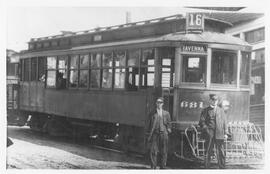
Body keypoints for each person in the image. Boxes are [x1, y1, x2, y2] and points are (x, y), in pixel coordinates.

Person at [199, 94, 228, 169]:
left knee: (221, 151)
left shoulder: (221, 110)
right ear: (210, 100)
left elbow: (225, 122)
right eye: (213, 100)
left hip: (219, 134)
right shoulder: (205, 110)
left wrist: (225, 133)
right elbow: (201, 122)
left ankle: (222, 167)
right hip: (210, 134)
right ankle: (207, 167)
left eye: (216, 100)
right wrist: (207, 130)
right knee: (208, 151)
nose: (215, 101)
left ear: (217, 101)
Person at [147, 97, 171, 169]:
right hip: (155, 134)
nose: (159, 104)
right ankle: (153, 167)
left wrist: (169, 129)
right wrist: (148, 133)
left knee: (163, 151)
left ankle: (162, 167)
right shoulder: (152, 113)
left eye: (160, 103)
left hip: (164, 134)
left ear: (163, 104)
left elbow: (169, 123)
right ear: (156, 103)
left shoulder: (166, 113)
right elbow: (148, 124)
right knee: (153, 151)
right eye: (157, 102)